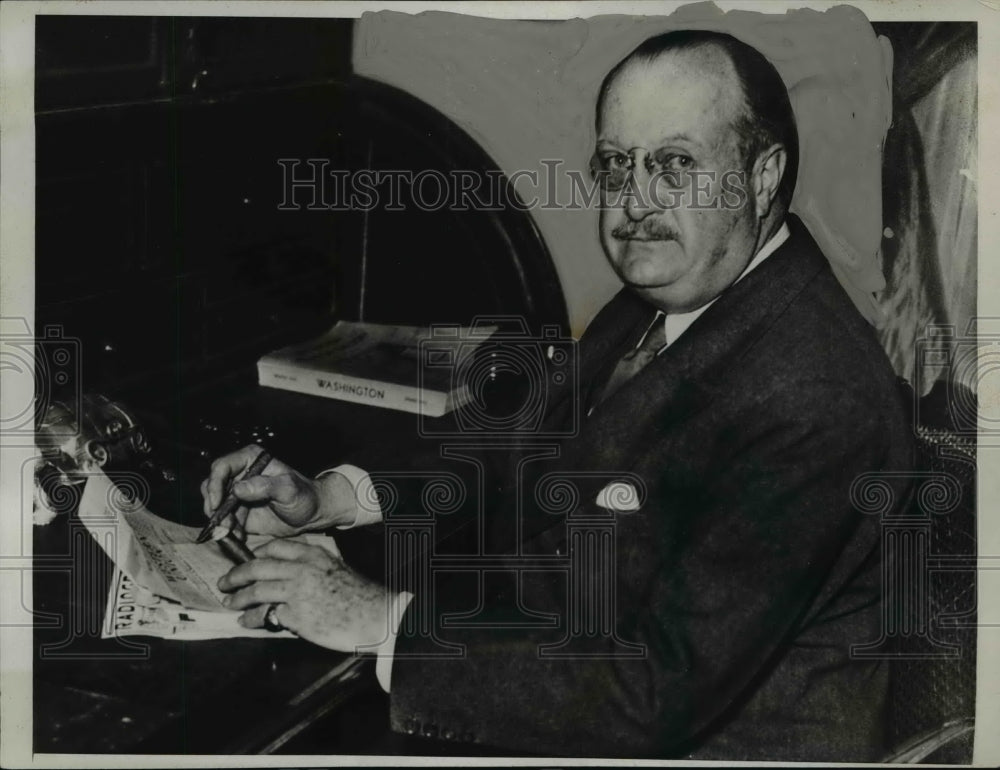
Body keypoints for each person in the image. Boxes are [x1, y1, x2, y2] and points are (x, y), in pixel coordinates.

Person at [202, 30, 914, 760]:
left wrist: (381, 621)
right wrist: (334, 499)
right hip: (561, 680)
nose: (635, 201)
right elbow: (518, 451)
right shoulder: (675, 291)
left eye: (675, 164)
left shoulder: (815, 396)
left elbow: (656, 689)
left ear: (762, 178)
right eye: (616, 164)